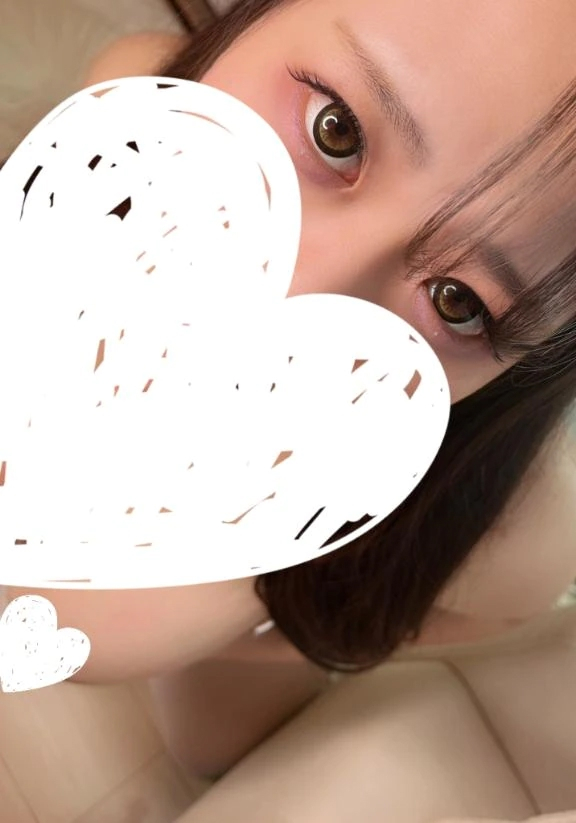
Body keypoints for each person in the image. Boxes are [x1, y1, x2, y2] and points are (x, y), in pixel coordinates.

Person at [7, 0, 576, 780]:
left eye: (458, 302)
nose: (290, 301)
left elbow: (482, 610)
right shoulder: (124, 96)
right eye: (334, 130)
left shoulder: (512, 528)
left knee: (214, 749)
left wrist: (278, 629)